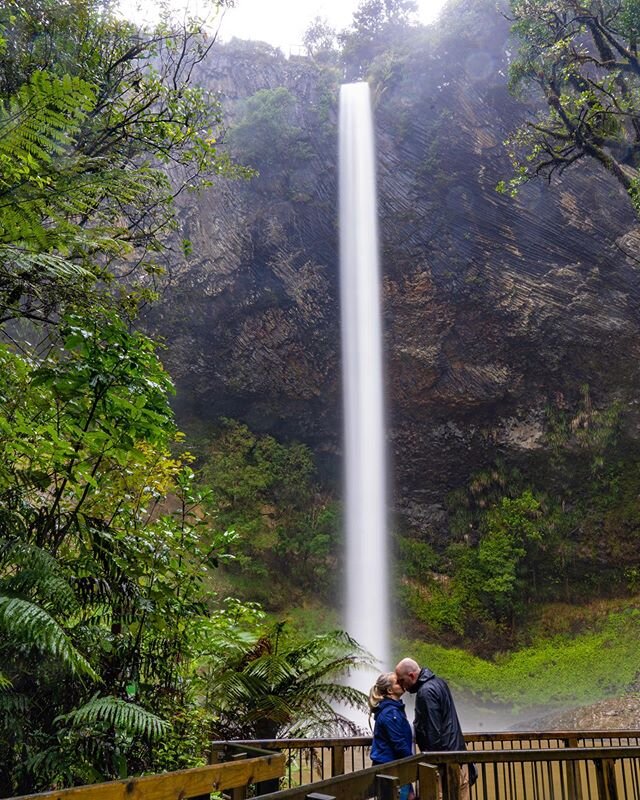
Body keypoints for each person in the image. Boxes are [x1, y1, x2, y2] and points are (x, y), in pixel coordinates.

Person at [395, 657, 475, 800]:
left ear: (411, 676)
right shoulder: (439, 683)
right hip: (457, 755)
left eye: (402, 681)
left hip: (443, 762)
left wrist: (433, 764)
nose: (403, 687)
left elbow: (432, 731)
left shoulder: (425, 693)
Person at [368, 672, 415, 800]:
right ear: (390, 690)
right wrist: (414, 763)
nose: (402, 683)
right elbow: (398, 743)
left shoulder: (393, 709)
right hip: (391, 769)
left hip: (393, 767)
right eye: (397, 682)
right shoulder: (390, 713)